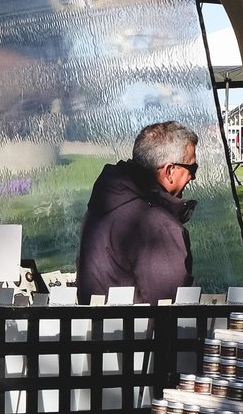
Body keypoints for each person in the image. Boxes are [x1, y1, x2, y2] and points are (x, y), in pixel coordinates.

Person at [76, 121, 200, 302]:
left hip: (98, 328)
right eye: (192, 168)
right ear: (170, 171)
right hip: (138, 330)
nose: (193, 177)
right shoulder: (158, 227)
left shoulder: (105, 205)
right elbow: (172, 309)